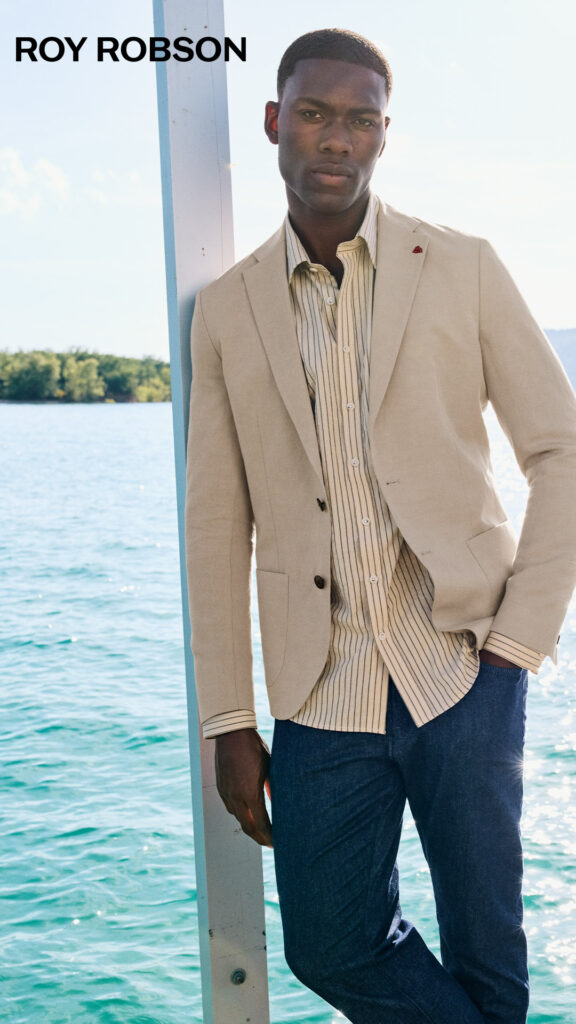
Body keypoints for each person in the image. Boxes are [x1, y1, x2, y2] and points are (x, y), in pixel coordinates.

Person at [184, 28, 576, 1024]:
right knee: (328, 943)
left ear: (384, 135)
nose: (336, 138)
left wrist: (516, 647)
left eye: (360, 120)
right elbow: (216, 524)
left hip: (464, 669)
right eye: (314, 113)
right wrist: (228, 719)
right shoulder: (226, 309)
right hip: (320, 691)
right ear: (274, 122)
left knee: (490, 956)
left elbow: (561, 450)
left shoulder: (464, 267)